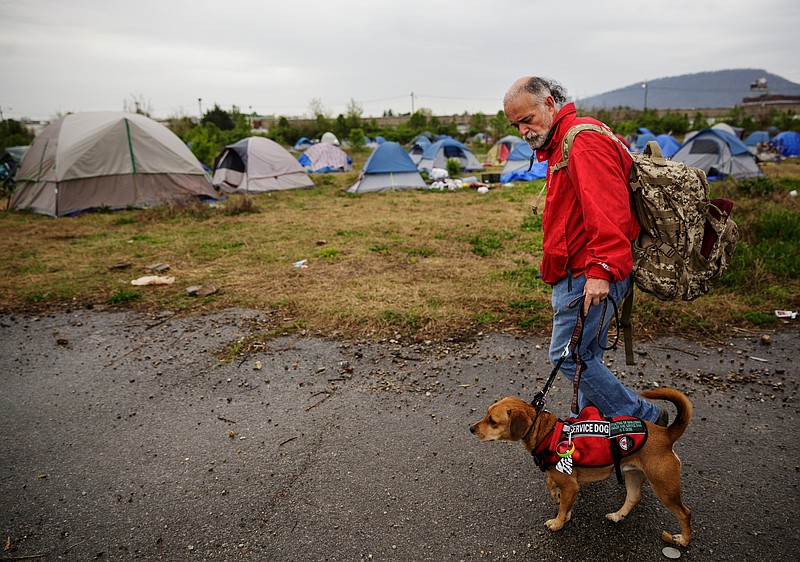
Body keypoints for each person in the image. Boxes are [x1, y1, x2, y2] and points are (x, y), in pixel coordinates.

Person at [503, 76, 666, 425]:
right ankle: (592, 427)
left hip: (588, 275)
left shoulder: (583, 142)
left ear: (549, 104)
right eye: (515, 125)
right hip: (575, 272)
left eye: (527, 120)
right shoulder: (566, 140)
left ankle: (646, 419)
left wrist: (601, 272)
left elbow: (608, 213)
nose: (523, 132)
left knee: (570, 356)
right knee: (587, 354)